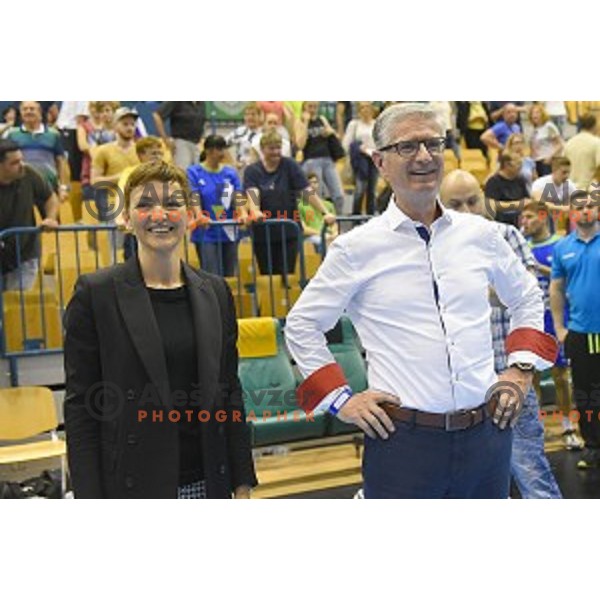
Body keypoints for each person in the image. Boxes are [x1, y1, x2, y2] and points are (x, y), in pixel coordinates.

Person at [284, 103, 557, 499]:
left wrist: (519, 370)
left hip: (488, 436)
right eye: (408, 146)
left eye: (433, 143)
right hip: (403, 444)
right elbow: (302, 325)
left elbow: (528, 297)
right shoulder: (355, 248)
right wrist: (341, 401)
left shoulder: (481, 234)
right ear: (379, 161)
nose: (425, 156)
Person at [63, 160, 257, 498]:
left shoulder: (215, 291)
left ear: (189, 214)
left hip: (207, 483)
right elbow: (81, 408)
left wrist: (241, 481)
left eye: (172, 203)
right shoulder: (96, 294)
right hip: (131, 486)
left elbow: (229, 392)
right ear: (125, 218)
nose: (160, 215)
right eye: (145, 204)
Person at [441, 170, 562, 498]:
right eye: (455, 204)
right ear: (440, 203)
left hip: (508, 377)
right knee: (475, 485)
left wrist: (471, 290)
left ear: (483, 197)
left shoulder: (507, 236)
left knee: (531, 471)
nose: (466, 210)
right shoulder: (433, 245)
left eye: (472, 201)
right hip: (458, 387)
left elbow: (529, 294)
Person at [521, 201, 584, 451]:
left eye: (529, 216)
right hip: (531, 319)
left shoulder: (561, 245)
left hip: (557, 317)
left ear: (542, 217)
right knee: (532, 375)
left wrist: (542, 269)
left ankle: (569, 426)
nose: (524, 221)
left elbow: (571, 281)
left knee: (561, 375)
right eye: (522, 217)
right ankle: (540, 429)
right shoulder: (521, 247)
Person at [550, 192, 600, 469]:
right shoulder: (562, 248)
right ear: (571, 212)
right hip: (580, 332)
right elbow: (556, 288)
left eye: (591, 206)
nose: (585, 211)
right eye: (579, 207)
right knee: (586, 392)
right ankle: (593, 446)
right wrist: (559, 327)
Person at [243, 130, 335, 277]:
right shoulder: (252, 171)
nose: (276, 152)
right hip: (263, 232)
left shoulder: (289, 165)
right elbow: (253, 192)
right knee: (267, 275)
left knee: (287, 274)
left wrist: (324, 212)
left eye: (278, 148)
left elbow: (306, 190)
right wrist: (255, 210)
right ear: (262, 149)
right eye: (271, 148)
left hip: (289, 231)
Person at [0, 140, 59, 290]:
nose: (21, 165)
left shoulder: (29, 174)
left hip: (26, 253)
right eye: (14, 162)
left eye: (21, 159)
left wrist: (50, 218)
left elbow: (50, 198)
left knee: (18, 306)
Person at [187, 135, 245, 277]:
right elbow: (194, 196)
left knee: (229, 275)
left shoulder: (230, 173)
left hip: (229, 230)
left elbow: (238, 196)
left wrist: (242, 212)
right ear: (208, 151)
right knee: (210, 275)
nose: (222, 153)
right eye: (218, 149)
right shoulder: (194, 172)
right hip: (206, 232)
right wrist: (199, 215)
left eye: (223, 149)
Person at [4, 101, 69, 201]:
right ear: (20, 113)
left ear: (40, 113)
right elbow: (6, 162)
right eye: (25, 109)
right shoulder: (12, 134)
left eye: (32, 109)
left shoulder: (53, 134)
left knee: (51, 215)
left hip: (49, 186)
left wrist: (63, 187)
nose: (28, 112)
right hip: (21, 187)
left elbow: (61, 162)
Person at [116, 136, 166, 259]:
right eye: (154, 153)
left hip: (160, 230)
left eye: (160, 154)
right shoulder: (130, 173)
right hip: (137, 231)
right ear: (141, 155)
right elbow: (122, 194)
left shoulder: (166, 175)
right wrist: (120, 219)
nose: (158, 157)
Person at [295, 101, 346, 214]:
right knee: (317, 195)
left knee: (339, 195)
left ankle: (337, 222)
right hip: (311, 160)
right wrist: (306, 122)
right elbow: (300, 144)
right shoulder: (300, 122)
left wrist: (330, 131)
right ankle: (318, 223)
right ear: (304, 108)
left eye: (314, 107)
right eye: (310, 106)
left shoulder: (322, 119)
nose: (312, 109)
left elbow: (335, 136)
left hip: (328, 159)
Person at [91, 107, 140, 221]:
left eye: (132, 124)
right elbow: (94, 181)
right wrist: (120, 177)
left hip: (139, 204)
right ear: (115, 126)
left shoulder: (141, 150)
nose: (130, 128)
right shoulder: (103, 150)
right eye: (125, 124)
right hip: (113, 205)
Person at [342, 102, 378, 215]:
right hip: (360, 161)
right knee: (360, 189)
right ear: (359, 110)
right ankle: (356, 216)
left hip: (374, 159)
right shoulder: (354, 124)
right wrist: (358, 148)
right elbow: (345, 144)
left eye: (367, 107)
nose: (365, 110)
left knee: (372, 190)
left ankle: (371, 216)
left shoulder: (376, 124)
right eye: (362, 108)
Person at [153, 102, 206, 171]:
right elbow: (157, 115)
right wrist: (165, 140)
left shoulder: (201, 103)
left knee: (196, 173)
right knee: (183, 172)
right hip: (181, 142)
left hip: (196, 144)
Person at [484, 150, 530, 227]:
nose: (521, 167)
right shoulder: (493, 182)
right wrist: (516, 205)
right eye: (518, 163)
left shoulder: (520, 180)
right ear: (507, 164)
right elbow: (491, 205)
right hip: (502, 219)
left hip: (520, 217)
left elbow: (526, 199)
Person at [531, 156, 576, 232]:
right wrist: (562, 208)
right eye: (564, 172)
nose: (567, 176)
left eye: (568, 173)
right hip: (542, 218)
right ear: (554, 171)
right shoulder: (540, 183)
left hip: (560, 220)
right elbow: (539, 203)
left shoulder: (569, 184)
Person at [563, 113, 600, 191]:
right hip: (589, 190)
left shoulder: (569, 143)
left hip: (570, 189)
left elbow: (562, 166)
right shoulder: (597, 142)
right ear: (595, 126)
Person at [529, 103, 564, 177]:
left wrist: (550, 157)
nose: (535, 115)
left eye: (537, 113)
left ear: (542, 114)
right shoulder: (533, 129)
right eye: (532, 113)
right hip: (536, 161)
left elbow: (560, 144)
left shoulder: (549, 126)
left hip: (547, 161)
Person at [225, 102, 263, 171]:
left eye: (253, 114)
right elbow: (222, 145)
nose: (250, 117)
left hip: (259, 172)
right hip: (241, 172)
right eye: (247, 115)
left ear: (260, 116)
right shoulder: (240, 131)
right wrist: (233, 162)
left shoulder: (264, 134)